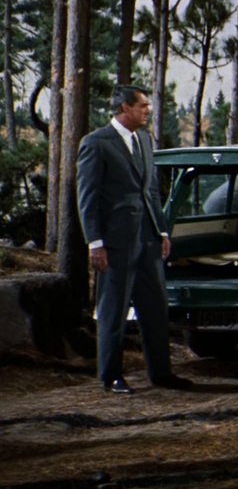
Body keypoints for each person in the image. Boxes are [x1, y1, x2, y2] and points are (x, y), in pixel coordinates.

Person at [77, 85, 192, 394]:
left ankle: (161, 374)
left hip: (149, 241)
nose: (148, 110)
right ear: (125, 108)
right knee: (113, 312)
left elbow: (151, 190)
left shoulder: (144, 140)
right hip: (115, 244)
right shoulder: (96, 143)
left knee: (156, 308)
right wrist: (95, 243)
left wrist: (162, 231)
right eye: (142, 105)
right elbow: (87, 199)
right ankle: (111, 376)